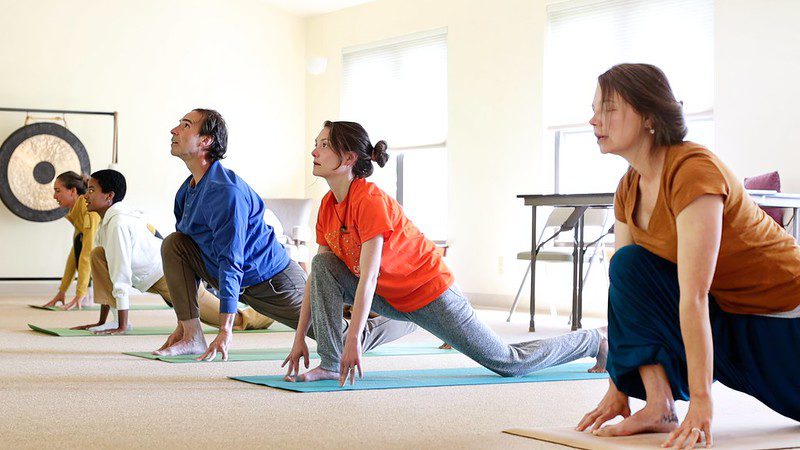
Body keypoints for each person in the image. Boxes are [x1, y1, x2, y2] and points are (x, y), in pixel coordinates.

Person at [575, 63, 800, 448]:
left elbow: (694, 294)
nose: (595, 119)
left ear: (649, 116)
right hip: (733, 317)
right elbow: (627, 293)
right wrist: (618, 387)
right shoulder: (628, 188)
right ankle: (659, 407)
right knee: (626, 268)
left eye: (609, 108)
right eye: (596, 108)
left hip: (785, 321)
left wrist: (702, 405)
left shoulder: (692, 171)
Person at [283, 120, 607, 385]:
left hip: (431, 295)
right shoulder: (328, 205)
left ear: (350, 158)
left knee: (508, 362)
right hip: (390, 297)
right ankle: (330, 362)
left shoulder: (369, 201)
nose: (314, 151)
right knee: (322, 262)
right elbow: (319, 276)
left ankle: (592, 340)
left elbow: (367, 278)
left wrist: (353, 338)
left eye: (324, 145)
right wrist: (299, 337)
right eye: (317, 143)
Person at [154, 109, 414, 361]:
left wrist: (225, 330)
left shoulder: (226, 192)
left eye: (186, 125)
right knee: (174, 244)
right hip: (235, 278)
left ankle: (409, 320)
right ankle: (191, 336)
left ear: (206, 141)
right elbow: (189, 253)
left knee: (341, 339)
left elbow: (231, 259)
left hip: (273, 283)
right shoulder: (187, 191)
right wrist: (185, 319)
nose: (174, 130)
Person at [69, 169, 274, 334]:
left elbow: (120, 275)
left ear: (109, 196)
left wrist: (123, 326)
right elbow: (110, 273)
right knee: (98, 255)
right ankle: (114, 321)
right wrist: (104, 322)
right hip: (150, 276)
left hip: (168, 274)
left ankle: (267, 315)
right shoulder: (108, 221)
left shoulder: (118, 223)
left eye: (92, 190)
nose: (86, 195)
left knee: (231, 320)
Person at [42, 172, 100, 310]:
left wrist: (79, 293)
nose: (54, 196)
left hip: (145, 238)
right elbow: (74, 256)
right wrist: (62, 291)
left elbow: (87, 253)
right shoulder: (77, 211)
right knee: (80, 244)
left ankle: (87, 296)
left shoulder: (87, 209)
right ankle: (87, 295)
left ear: (73, 191)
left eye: (58, 191)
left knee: (86, 249)